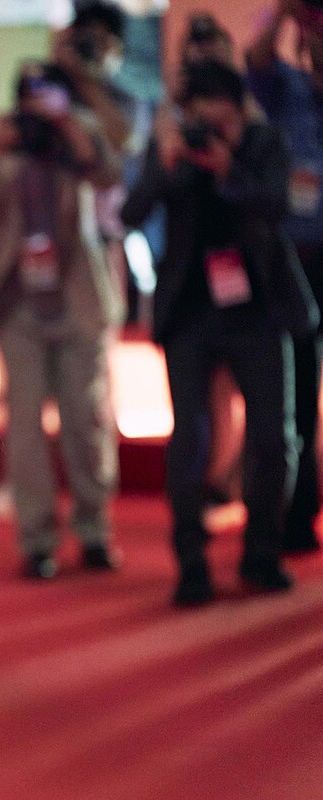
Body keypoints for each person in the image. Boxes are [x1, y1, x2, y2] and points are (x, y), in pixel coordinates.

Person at [121, 60, 318, 605]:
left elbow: (281, 206)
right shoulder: (173, 146)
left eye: (221, 117)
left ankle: (262, 552)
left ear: (239, 108)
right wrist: (163, 164)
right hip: (191, 312)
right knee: (190, 437)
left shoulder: (263, 143)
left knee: (274, 437)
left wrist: (229, 167)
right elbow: (132, 213)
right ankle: (191, 563)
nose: (209, 128)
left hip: (260, 310)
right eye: (200, 116)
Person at [0, 62, 123, 580]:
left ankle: (94, 530)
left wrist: (67, 122)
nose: (36, 105)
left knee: (86, 418)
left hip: (79, 295)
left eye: (45, 92)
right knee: (25, 422)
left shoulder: (78, 127)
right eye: (28, 94)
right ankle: (37, 540)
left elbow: (109, 176)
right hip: (18, 301)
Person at [246, 0, 323, 554]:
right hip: (292, 259)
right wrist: (285, 11)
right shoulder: (285, 88)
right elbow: (257, 55)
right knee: (297, 393)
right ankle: (294, 517)